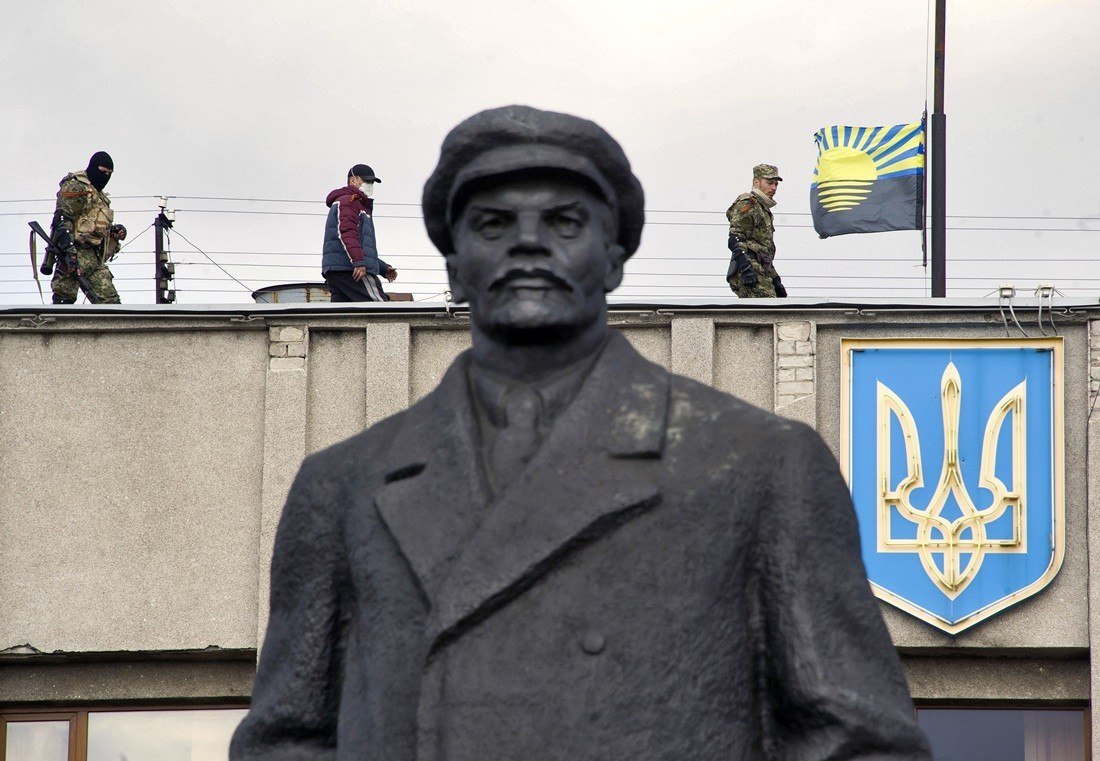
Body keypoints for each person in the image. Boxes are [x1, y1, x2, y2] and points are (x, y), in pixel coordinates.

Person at [232, 107, 930, 760]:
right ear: (453, 266)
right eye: (493, 223)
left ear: (615, 258)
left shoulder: (760, 464)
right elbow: (285, 741)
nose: (528, 241)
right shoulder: (342, 487)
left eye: (565, 222)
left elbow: (859, 742)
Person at [49, 151, 126, 304]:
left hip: (95, 259)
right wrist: (69, 251)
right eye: (102, 171)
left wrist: (113, 232)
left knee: (112, 306)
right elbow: (62, 219)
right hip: (74, 255)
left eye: (109, 173)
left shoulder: (100, 196)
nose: (105, 176)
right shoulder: (76, 186)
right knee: (64, 301)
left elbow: (95, 225)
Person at [322, 163, 398, 302]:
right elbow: (347, 233)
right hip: (351, 270)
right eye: (366, 181)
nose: (369, 185)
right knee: (382, 308)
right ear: (352, 180)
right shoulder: (350, 201)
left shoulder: (350, 203)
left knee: (344, 313)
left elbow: (360, 245)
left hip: (336, 271)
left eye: (372, 182)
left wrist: (382, 268)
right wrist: (358, 262)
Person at [726, 163, 787, 299]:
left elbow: (761, 250)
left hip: (762, 270)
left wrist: (775, 278)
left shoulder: (762, 209)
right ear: (756, 182)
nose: (774, 188)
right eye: (770, 183)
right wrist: (746, 269)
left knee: (776, 305)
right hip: (750, 268)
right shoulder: (748, 203)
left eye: (776, 184)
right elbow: (735, 239)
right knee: (766, 308)